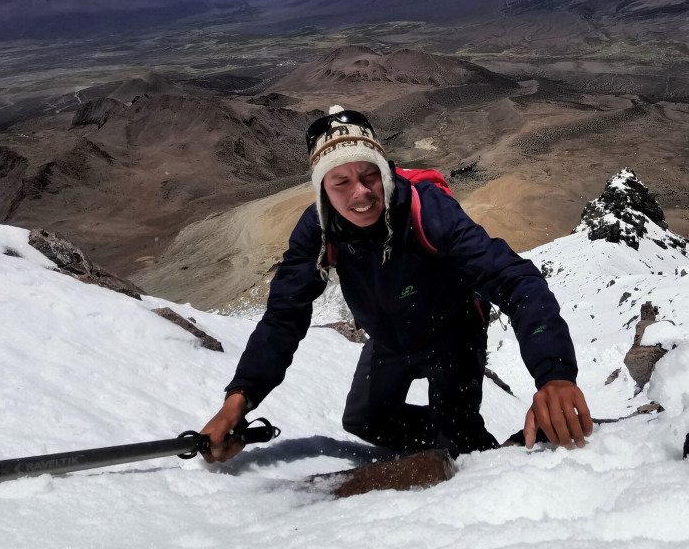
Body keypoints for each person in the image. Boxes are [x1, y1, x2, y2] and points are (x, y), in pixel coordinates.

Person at [200, 107, 591, 462]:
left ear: (384, 169)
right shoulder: (317, 231)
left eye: (370, 174)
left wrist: (554, 374)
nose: (361, 193)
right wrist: (240, 398)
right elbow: (284, 316)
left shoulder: (426, 210)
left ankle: (470, 450)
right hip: (389, 339)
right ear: (322, 189)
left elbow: (512, 278)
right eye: (340, 182)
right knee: (364, 421)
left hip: (453, 335)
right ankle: (458, 443)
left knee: (458, 433)